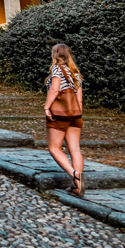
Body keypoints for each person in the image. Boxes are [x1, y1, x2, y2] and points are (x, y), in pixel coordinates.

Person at [44, 43, 85, 196]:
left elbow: (55, 89)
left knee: (54, 148)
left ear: (55, 54)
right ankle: (76, 186)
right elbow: (79, 99)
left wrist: (47, 107)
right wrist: (78, 113)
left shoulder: (57, 69)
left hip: (59, 114)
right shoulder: (76, 73)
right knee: (75, 149)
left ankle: (74, 175)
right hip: (75, 114)